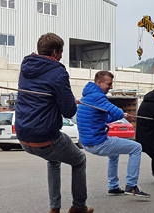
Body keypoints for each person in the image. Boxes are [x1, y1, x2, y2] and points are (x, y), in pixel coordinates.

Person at [15, 33, 93, 213]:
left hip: (23, 137)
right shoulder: (58, 71)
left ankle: (54, 208)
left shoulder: (26, 66)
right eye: (61, 52)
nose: (61, 57)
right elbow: (69, 111)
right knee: (79, 160)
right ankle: (79, 207)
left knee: (53, 160)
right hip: (45, 138)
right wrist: (70, 101)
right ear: (56, 52)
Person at [77, 71, 150, 198]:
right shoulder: (98, 96)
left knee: (114, 154)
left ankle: (113, 186)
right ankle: (131, 185)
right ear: (99, 83)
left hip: (87, 143)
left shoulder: (87, 97)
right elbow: (116, 112)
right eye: (109, 84)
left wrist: (118, 115)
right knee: (136, 147)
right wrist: (122, 113)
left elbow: (104, 118)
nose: (111, 87)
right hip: (98, 143)